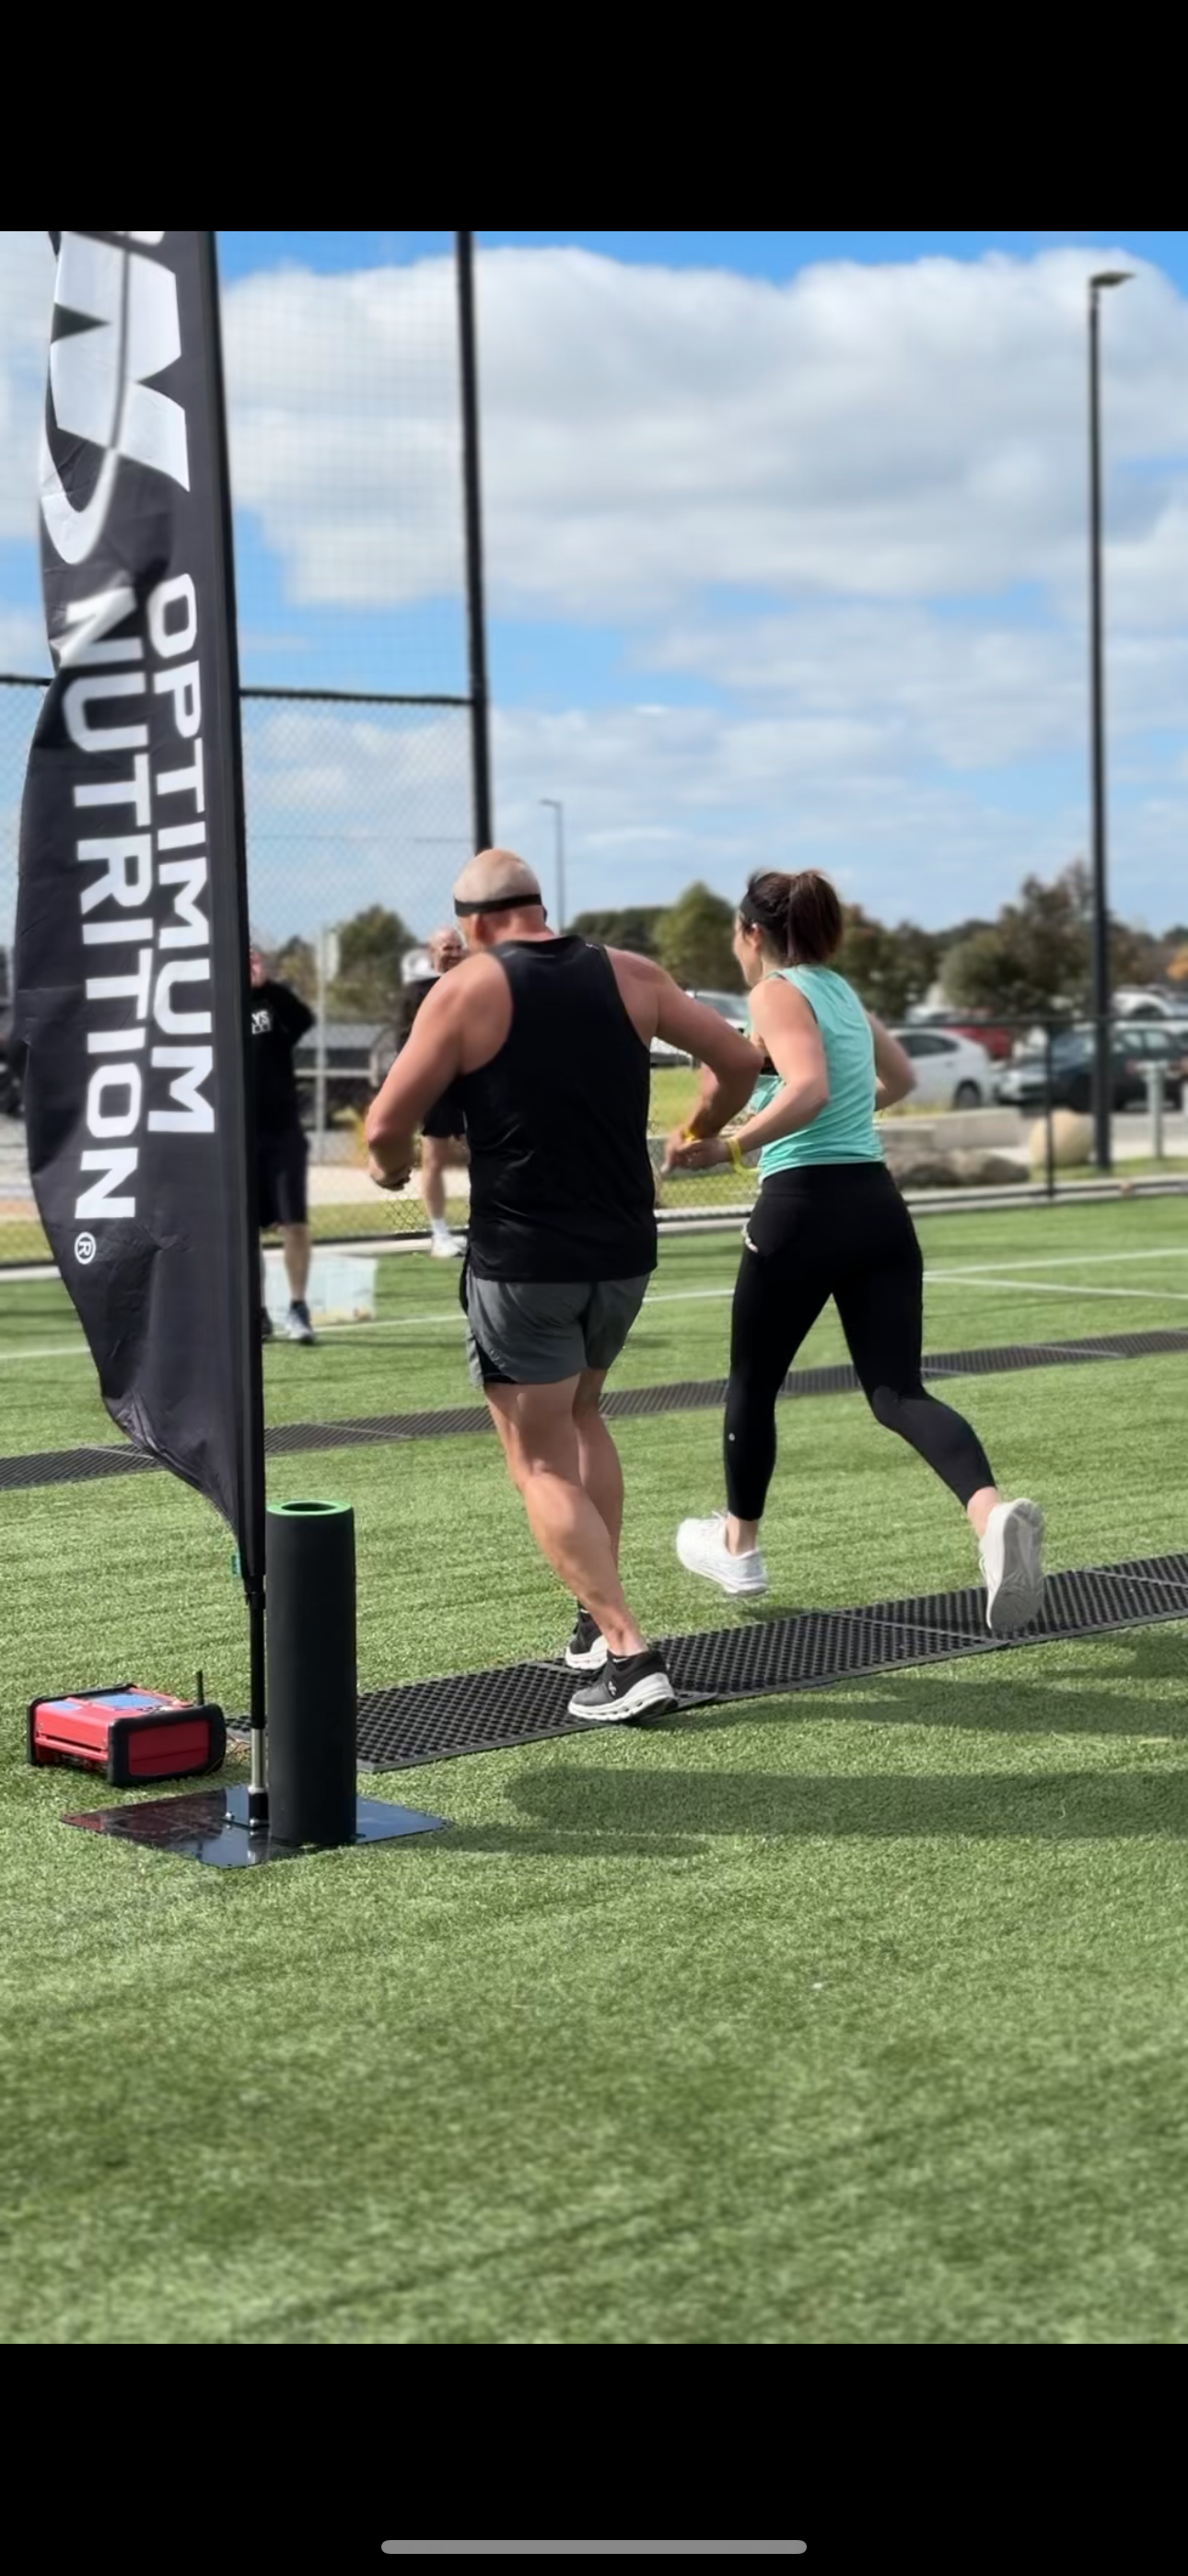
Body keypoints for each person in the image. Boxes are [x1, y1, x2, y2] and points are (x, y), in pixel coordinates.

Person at [366, 849, 763, 1721]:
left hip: (525, 1258)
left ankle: (627, 1652)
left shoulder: (464, 991)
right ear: (540, 908)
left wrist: (391, 1174)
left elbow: (388, 1122)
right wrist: (700, 1129)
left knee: (538, 1455)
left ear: (472, 924)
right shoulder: (631, 972)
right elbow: (738, 1062)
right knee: (584, 1417)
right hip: (623, 1250)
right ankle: (591, 1621)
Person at [664, 868, 1045, 1634]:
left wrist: (734, 1148)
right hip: (878, 1208)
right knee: (898, 1393)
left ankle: (739, 1546)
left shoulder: (773, 992)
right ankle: (991, 1517)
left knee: (753, 1382)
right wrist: (812, 1101)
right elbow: (895, 1079)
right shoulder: (841, 992)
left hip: (803, 1210)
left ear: (752, 934)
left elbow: (805, 1087)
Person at [250, 945, 317, 1345]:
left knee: (293, 1222)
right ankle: (255, 1312)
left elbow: (304, 1020)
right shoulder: (213, 1005)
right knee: (243, 1232)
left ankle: (297, 1307)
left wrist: (267, 986)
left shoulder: (274, 1002)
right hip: (239, 1137)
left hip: (283, 1134)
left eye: (252, 957)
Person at [399, 928, 470, 1257]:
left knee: (489, 1155)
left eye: (458, 946)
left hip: (476, 1082)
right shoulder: (417, 992)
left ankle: (487, 1225)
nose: (453, 952)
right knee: (435, 1158)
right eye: (446, 947)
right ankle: (439, 1233)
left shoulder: (477, 983)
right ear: (431, 953)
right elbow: (405, 1044)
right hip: (438, 1085)